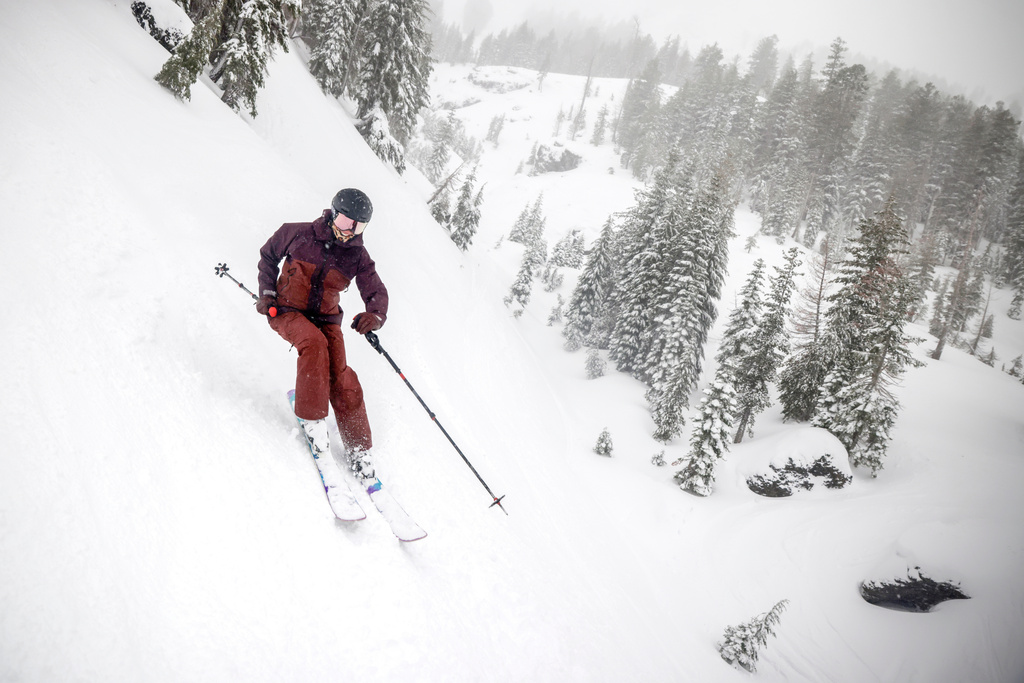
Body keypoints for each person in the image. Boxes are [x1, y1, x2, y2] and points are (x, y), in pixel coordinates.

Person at [256, 188, 387, 485]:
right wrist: (267, 292)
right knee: (314, 345)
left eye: (357, 226)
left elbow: (375, 289)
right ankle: (313, 422)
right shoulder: (298, 233)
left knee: (339, 372)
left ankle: (359, 449)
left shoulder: (357, 256)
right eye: (344, 221)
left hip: (327, 318)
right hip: (287, 310)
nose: (348, 231)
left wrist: (375, 315)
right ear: (332, 214)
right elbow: (268, 255)